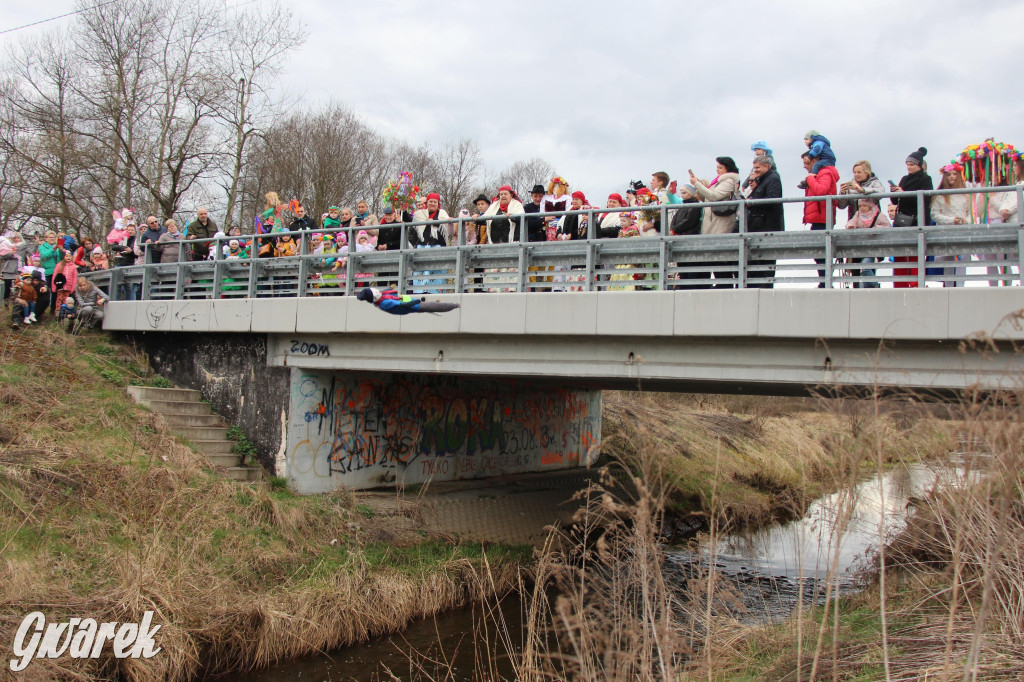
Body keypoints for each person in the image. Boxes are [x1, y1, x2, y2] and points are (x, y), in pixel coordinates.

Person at [891, 147, 933, 288]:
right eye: (907, 164)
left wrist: (903, 193)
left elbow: (924, 200)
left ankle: (915, 283)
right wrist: (895, 193)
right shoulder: (904, 179)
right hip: (902, 221)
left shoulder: (926, 179)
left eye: (912, 164)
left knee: (916, 253)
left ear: (919, 165)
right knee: (900, 253)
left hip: (917, 221)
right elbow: (896, 202)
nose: (909, 167)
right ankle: (900, 283)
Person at [801, 151, 841, 287]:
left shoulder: (824, 173)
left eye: (807, 163)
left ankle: (826, 282)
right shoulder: (820, 173)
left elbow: (821, 191)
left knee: (822, 253)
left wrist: (810, 179)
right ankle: (824, 281)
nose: (804, 166)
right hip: (819, 218)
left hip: (823, 219)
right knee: (819, 253)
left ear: (815, 161)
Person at [746, 155, 785, 288]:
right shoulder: (762, 180)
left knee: (765, 261)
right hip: (758, 226)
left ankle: (765, 287)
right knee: (756, 260)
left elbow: (773, 200)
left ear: (766, 166)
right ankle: (757, 286)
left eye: (758, 168)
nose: (755, 170)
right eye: (754, 168)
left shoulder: (773, 179)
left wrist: (753, 203)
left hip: (767, 227)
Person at [930, 165, 972, 286]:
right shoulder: (940, 195)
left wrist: (965, 221)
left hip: (962, 231)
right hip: (946, 231)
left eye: (954, 174)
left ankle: (960, 286)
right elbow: (935, 214)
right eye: (949, 175)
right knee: (947, 260)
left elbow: (971, 213)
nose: (952, 177)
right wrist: (952, 220)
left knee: (962, 259)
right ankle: (948, 288)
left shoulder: (966, 194)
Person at [844, 198, 891, 288]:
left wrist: (875, 229)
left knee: (866, 266)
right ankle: (865, 288)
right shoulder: (858, 214)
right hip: (858, 247)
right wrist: (850, 226)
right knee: (858, 270)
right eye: (860, 206)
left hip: (872, 247)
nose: (862, 208)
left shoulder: (878, 215)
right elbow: (852, 221)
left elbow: (888, 226)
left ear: (870, 206)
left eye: (864, 206)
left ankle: (875, 284)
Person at [355, 286, 459, 314]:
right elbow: (403, 305)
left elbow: (388, 291)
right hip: (412, 305)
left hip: (409, 299)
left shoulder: (380, 297)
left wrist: (391, 287)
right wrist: (416, 302)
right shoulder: (384, 303)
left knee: (430, 305)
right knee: (432, 306)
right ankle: (455, 305)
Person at [541, 177, 571, 242]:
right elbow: (541, 212)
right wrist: (546, 218)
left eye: (558, 186)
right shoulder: (547, 198)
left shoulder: (567, 198)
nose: (556, 188)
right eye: (554, 186)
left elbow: (568, 213)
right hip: (548, 226)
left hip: (561, 226)